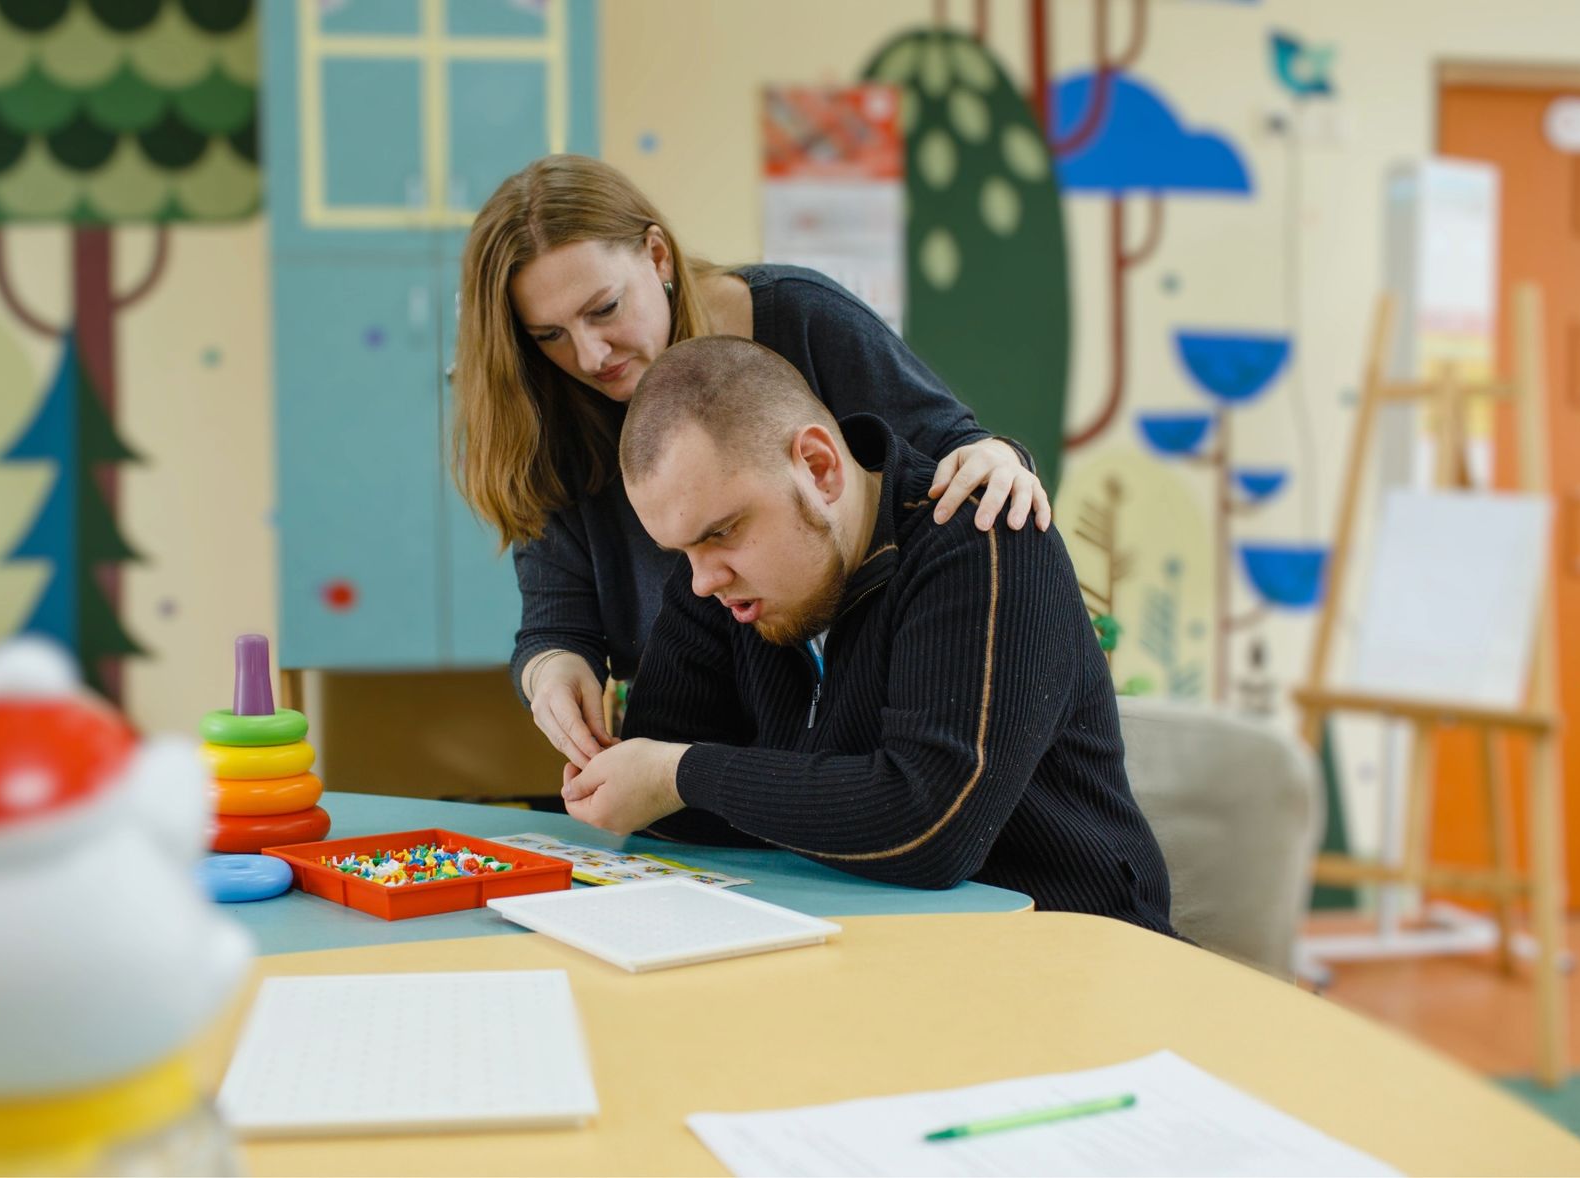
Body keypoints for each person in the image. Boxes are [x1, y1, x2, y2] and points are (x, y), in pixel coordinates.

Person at [556, 336, 1174, 932]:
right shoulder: (719, 582)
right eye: (680, 549)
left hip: (1070, 953)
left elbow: (931, 831)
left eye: (722, 532)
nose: (701, 581)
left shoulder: (983, 537)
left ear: (819, 469)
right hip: (868, 954)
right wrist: (656, 781)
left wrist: (679, 774)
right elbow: (670, 812)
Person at [454, 155, 1052, 770]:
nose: (589, 354)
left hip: (860, 716)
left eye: (604, 308)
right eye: (548, 335)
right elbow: (556, 624)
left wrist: (999, 458)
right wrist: (553, 672)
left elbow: (954, 453)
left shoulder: (801, 317)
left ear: (657, 257)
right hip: (695, 725)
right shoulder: (540, 410)